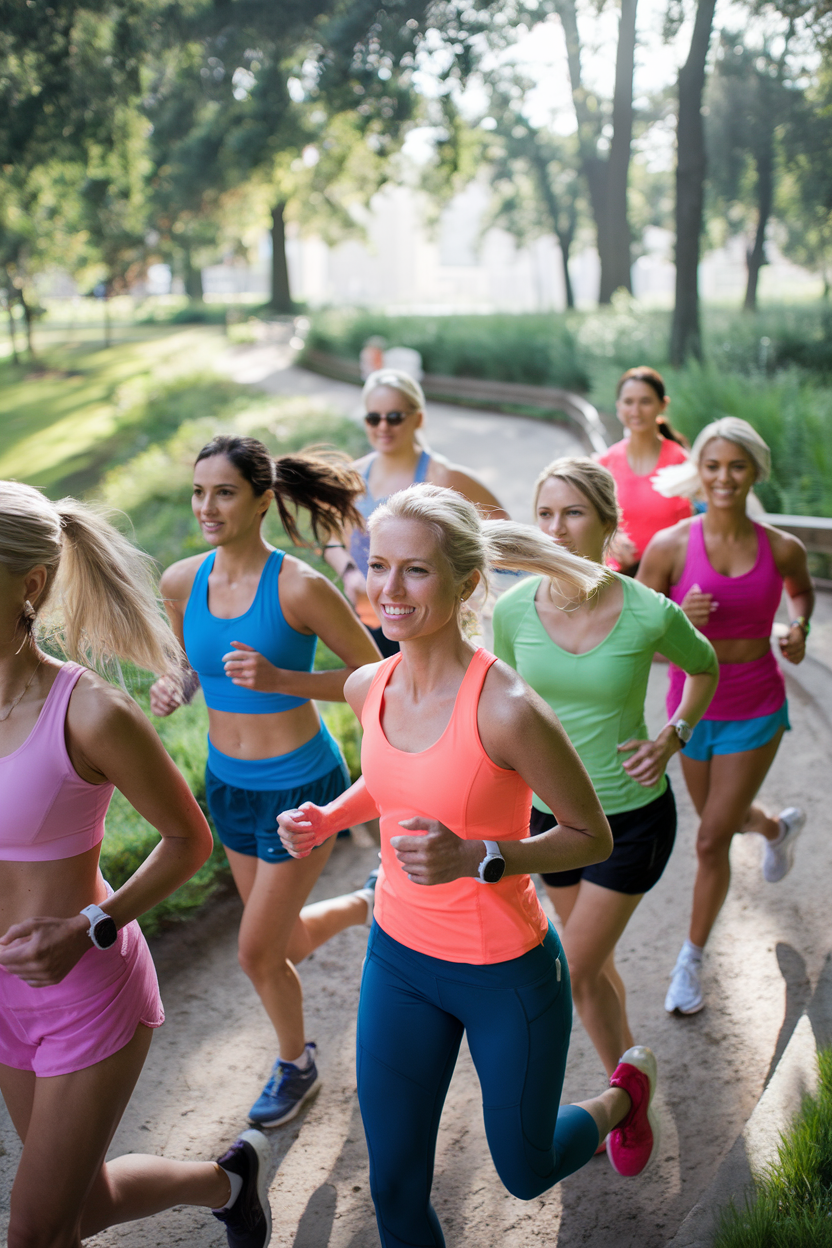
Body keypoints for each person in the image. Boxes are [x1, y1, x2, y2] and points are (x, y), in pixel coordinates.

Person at [278, 483, 662, 1248]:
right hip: (399, 960)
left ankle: (625, 1094)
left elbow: (591, 837)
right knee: (392, 1186)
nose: (388, 590)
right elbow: (390, 781)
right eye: (377, 566)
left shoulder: (508, 707)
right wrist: (330, 816)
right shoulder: (368, 685)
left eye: (414, 571)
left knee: (524, 1168)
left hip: (503, 970)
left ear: (463, 583)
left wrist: (478, 855)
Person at [0, 481, 272, 1248]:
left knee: (32, 1232)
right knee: (76, 1211)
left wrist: (90, 925)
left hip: (82, 988)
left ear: (28, 586)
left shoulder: (89, 713)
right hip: (3, 997)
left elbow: (191, 840)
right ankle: (230, 1180)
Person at [149, 436, 381, 1127]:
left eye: (222, 492)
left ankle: (295, 1062)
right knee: (277, 943)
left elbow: (376, 679)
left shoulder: (300, 587)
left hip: (299, 789)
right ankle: (366, 906)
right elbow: (196, 662)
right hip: (229, 787)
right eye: (198, 492)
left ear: (260, 499)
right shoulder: (180, 582)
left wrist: (286, 681)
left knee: (254, 951)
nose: (206, 506)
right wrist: (178, 683)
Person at [492, 458, 718, 1095]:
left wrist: (673, 736)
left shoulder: (649, 612)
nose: (556, 529)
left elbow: (704, 668)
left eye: (573, 513)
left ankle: (616, 1101)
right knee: (594, 966)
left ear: (608, 523)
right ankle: (632, 1071)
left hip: (631, 820)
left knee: (574, 971)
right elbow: (505, 707)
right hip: (550, 821)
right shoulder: (512, 612)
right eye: (544, 513)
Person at [638, 417, 814, 1014]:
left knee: (711, 838)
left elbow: (801, 589)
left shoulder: (779, 547)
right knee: (728, 821)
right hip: (692, 710)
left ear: (754, 472)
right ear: (698, 472)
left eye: (737, 466)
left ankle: (689, 962)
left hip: (756, 706)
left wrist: (799, 629)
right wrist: (680, 619)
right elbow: (637, 641)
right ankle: (775, 828)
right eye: (713, 466)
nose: (724, 478)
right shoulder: (669, 549)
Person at [323, 367, 509, 656]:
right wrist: (349, 573)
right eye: (374, 418)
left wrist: (466, 588)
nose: (383, 426)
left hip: (430, 620)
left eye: (394, 417)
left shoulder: (444, 476)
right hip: (373, 614)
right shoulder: (351, 477)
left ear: (418, 418)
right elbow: (330, 537)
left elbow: (501, 527)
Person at [598, 367, 692, 574]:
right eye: (629, 402)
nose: (636, 411)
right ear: (618, 406)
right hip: (620, 578)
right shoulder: (606, 463)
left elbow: (695, 529)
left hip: (670, 577)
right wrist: (610, 538)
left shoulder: (682, 462)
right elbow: (595, 521)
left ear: (662, 405)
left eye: (645, 402)